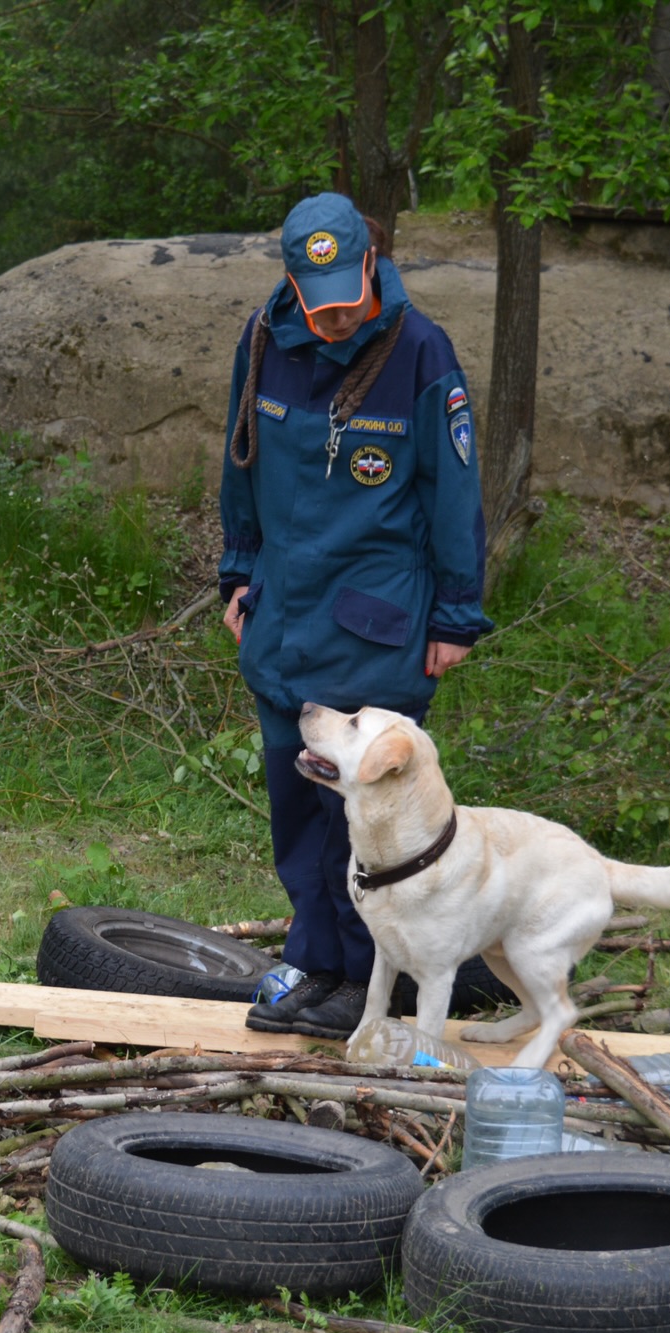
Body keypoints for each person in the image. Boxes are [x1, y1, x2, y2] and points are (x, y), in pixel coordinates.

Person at [219, 191, 491, 1039]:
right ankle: (315, 955)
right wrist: (235, 568)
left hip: (377, 626)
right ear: (294, 283)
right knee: (296, 805)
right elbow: (240, 457)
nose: (336, 318)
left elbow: (455, 495)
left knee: (369, 820)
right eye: (319, 302)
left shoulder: (420, 352)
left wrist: (455, 614)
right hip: (282, 615)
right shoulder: (263, 341)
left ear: (372, 264)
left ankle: (368, 976)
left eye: (348, 297)